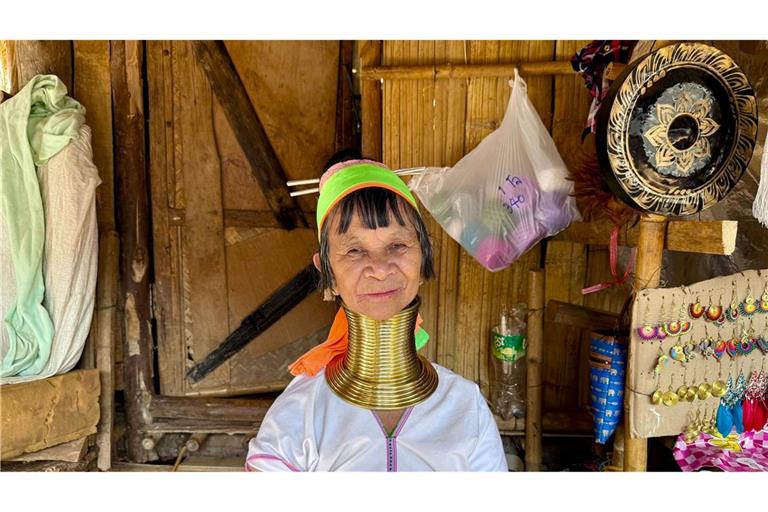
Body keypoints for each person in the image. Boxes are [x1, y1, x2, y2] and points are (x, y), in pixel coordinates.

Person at [245, 152, 507, 471]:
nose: (380, 269)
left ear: (425, 258)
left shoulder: (466, 407)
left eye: (397, 246)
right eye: (355, 250)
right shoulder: (298, 416)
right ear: (327, 272)